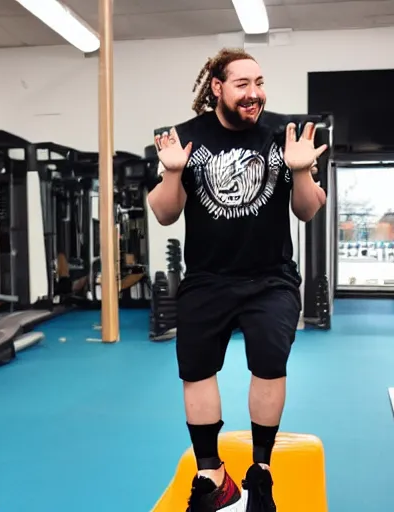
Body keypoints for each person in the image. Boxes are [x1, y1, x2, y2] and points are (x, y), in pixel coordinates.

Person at [147, 48, 328, 512]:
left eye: (260, 82)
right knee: (195, 370)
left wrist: (302, 168)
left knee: (268, 359)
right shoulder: (184, 139)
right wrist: (172, 174)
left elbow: (307, 210)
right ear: (217, 88)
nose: (255, 94)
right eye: (243, 84)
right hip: (207, 278)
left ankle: (260, 470)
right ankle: (212, 474)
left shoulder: (285, 134)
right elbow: (165, 214)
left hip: (271, 278)